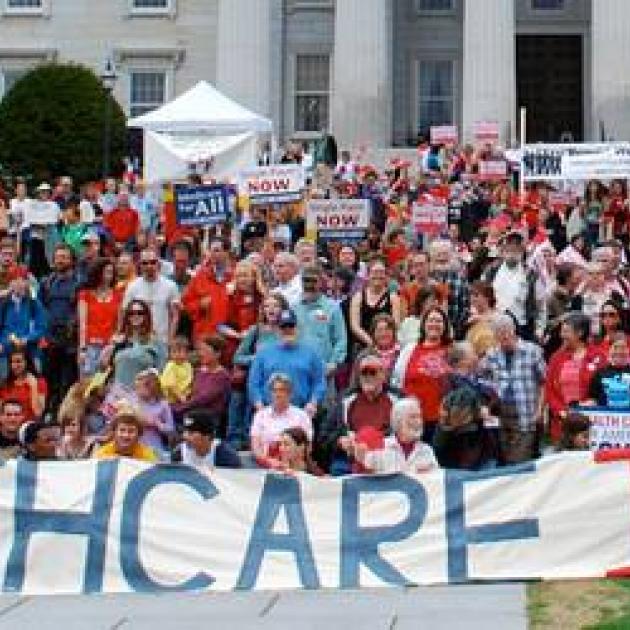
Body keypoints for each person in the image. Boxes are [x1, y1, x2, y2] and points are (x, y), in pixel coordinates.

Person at [479, 313, 546, 463]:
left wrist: (539, 411)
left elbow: (544, 383)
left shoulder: (533, 351)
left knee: (519, 461)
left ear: (513, 331)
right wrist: (485, 403)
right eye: (499, 338)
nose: (503, 342)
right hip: (500, 414)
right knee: (503, 460)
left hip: (526, 413)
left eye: (506, 336)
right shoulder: (492, 354)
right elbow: (480, 380)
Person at [322, 352, 401, 475]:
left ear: (383, 375)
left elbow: (407, 433)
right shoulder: (344, 399)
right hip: (350, 460)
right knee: (337, 469)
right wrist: (339, 441)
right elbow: (324, 435)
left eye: (372, 372)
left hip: (386, 457)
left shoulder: (399, 399)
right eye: (364, 372)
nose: (367, 376)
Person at [226, 292, 287, 450]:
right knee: (250, 420)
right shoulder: (256, 330)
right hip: (255, 384)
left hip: (279, 385)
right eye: (267, 306)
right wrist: (257, 358)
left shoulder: (289, 332)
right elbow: (238, 358)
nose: (270, 309)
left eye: (275, 306)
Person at [248, 308, 326, 420]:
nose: (287, 330)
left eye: (291, 326)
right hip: (270, 413)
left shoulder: (311, 353)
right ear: (276, 329)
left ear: (297, 328)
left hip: (302, 412)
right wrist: (259, 407)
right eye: (283, 327)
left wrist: (313, 403)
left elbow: (319, 382)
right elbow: (253, 383)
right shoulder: (263, 353)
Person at [391, 306, 452, 442]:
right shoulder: (410, 349)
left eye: (439, 321)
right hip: (412, 418)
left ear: (445, 326)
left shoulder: (452, 350)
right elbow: (396, 381)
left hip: (441, 421)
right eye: (430, 320)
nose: (434, 324)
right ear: (423, 324)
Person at [546, 312, 605, 442]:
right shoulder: (556, 358)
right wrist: (562, 412)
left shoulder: (599, 356)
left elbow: (604, 388)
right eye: (562, 331)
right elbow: (549, 390)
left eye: (566, 332)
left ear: (580, 333)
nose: (562, 335)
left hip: (590, 423)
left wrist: (592, 402)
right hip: (563, 423)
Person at [40, 243, 81, 411]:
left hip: (71, 341)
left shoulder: (79, 283)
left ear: (71, 260)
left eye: (64, 257)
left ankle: (66, 413)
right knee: (50, 380)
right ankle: (50, 412)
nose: (60, 261)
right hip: (50, 340)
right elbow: (41, 309)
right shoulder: (47, 282)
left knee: (68, 381)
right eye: (58, 257)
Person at [482, 231, 545, 341]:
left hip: (522, 328)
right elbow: (481, 295)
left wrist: (540, 329)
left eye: (517, 246)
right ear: (502, 249)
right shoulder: (491, 271)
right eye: (509, 245)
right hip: (493, 325)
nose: (513, 250)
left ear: (522, 250)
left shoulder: (531, 274)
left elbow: (541, 305)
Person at [355, 397, 437, 474]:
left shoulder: (426, 450)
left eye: (420, 417)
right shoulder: (381, 447)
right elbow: (365, 478)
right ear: (398, 421)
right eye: (413, 417)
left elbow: (437, 479)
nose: (418, 422)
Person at [294, 264, 347, 380]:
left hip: (324, 370)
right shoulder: (294, 307)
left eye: (313, 281)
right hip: (297, 369)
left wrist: (334, 363)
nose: (309, 285)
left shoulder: (332, 307)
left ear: (321, 283)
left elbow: (340, 339)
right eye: (306, 280)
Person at [250, 372, 313, 469]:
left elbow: (307, 447)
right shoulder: (260, 415)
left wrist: (288, 465)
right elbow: (255, 447)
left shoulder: (302, 416)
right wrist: (268, 461)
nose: (277, 394)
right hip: (265, 465)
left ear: (290, 393)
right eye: (274, 390)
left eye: (281, 390)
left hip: (295, 467)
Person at [103, 299, 166, 390]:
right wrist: (111, 347)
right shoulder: (119, 340)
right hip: (118, 396)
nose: (135, 316)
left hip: (143, 396)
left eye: (140, 313)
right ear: (127, 317)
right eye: (131, 313)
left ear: (146, 316)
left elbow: (161, 371)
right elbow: (104, 367)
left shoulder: (156, 342)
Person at [123, 247, 180, 345]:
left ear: (158, 264)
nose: (149, 266)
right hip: (138, 341)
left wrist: (170, 340)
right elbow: (125, 313)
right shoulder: (132, 286)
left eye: (152, 262)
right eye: (145, 263)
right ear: (140, 265)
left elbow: (175, 316)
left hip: (162, 341)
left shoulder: (171, 285)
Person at [433, 388, 498, 470]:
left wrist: (487, 420)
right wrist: (446, 425)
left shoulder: (481, 418)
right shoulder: (446, 422)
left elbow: (494, 447)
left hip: (482, 462)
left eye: (464, 413)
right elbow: (437, 449)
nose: (461, 417)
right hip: (453, 467)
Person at [172, 334, 231, 425]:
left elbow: (201, 399)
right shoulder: (198, 371)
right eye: (200, 350)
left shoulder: (222, 376)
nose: (201, 354)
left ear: (217, 354)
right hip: (190, 413)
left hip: (208, 420)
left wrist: (176, 408)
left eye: (205, 351)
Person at [78, 258, 122, 377]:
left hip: (109, 347)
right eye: (105, 272)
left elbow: (119, 325)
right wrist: (82, 349)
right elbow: (83, 324)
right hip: (90, 346)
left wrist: (112, 345)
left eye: (111, 272)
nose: (108, 276)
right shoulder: (85, 295)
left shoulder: (118, 295)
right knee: (88, 385)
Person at [350, 256, 402, 356]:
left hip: (387, 346)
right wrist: (372, 344)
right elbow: (355, 326)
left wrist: (383, 344)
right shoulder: (358, 296)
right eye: (374, 272)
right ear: (368, 275)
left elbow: (396, 324)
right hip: (363, 345)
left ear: (386, 276)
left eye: (381, 272)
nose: (378, 275)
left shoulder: (393, 298)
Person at [0, 265, 47, 375]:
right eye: (15, 280)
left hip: (29, 351)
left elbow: (41, 327)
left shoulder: (34, 303)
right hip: (6, 351)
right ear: (10, 283)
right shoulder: (4, 303)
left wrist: (27, 338)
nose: (19, 284)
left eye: (23, 280)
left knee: (32, 383)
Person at [181, 241, 230, 341]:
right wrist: (199, 304)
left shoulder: (236, 276)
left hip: (228, 336)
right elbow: (185, 304)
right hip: (204, 335)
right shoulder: (200, 276)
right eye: (211, 251)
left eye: (216, 250)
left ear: (227, 253)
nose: (212, 254)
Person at [428, 239, 470, 339]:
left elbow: (465, 307)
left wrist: (455, 328)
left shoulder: (460, 279)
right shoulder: (427, 278)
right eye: (438, 254)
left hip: (454, 331)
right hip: (428, 329)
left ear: (451, 256)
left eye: (445, 254)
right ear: (432, 257)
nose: (442, 257)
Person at [172, 412, 241, 470]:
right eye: (185, 432)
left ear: (207, 436)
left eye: (191, 433)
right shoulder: (179, 454)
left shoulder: (225, 456)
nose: (185, 436)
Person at [132, 368, 174, 457]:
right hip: (133, 446)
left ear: (152, 387)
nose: (137, 391)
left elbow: (171, 430)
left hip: (153, 447)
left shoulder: (163, 404)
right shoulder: (130, 401)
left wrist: (157, 423)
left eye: (140, 387)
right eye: (136, 387)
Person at [93, 409, 158, 462]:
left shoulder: (147, 455)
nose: (126, 435)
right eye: (122, 430)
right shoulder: (102, 455)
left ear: (139, 434)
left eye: (131, 431)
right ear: (114, 432)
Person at [0, 349, 46, 422]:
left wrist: (33, 386)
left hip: (28, 424)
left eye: (18, 361)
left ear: (27, 362)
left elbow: (38, 413)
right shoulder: (5, 383)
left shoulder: (39, 382)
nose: (14, 366)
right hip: (8, 424)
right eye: (12, 362)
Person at [588, 334, 630, 408]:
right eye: (616, 347)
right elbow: (593, 399)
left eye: (623, 348)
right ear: (609, 350)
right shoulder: (599, 373)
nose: (619, 352)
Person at [466, 281, 499, 357]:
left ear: (487, 297)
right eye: (471, 295)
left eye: (476, 295)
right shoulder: (467, 316)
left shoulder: (498, 316)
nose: (472, 298)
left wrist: (483, 319)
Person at [159, 336, 193, 404]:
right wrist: (181, 397)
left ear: (187, 353)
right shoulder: (171, 366)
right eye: (174, 352)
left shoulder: (188, 365)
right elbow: (171, 386)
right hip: (172, 399)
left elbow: (190, 380)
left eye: (180, 352)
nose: (177, 355)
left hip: (186, 395)